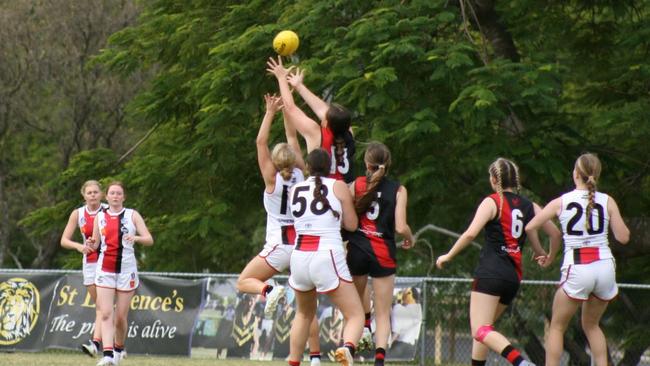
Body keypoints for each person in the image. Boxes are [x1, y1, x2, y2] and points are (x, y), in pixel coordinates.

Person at [436, 158, 562, 366]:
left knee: (480, 330)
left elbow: (470, 234)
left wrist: (448, 255)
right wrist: (546, 256)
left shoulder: (493, 201)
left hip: (490, 274)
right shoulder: (530, 206)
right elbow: (555, 234)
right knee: (485, 330)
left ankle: (521, 363)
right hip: (512, 277)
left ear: (495, 179)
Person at [235, 93, 322, 365]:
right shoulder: (301, 174)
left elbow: (260, 141)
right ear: (294, 160)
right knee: (307, 309)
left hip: (279, 246)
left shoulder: (271, 178)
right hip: (301, 246)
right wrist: (288, 107)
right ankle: (316, 358)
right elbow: (292, 137)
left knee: (244, 281)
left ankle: (269, 292)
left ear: (274, 161)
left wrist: (270, 111)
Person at [524, 153, 630, 366]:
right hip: (605, 267)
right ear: (596, 175)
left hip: (578, 266)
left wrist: (545, 254)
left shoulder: (561, 201)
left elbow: (530, 226)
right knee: (592, 326)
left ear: (575, 174)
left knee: (557, 326)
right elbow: (624, 237)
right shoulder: (607, 200)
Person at [286, 148, 363, 366]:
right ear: (330, 167)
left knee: (303, 315)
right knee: (355, 315)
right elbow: (351, 224)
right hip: (326, 253)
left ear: (307, 168)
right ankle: (347, 348)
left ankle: (294, 362)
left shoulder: (295, 189)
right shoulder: (337, 185)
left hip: (299, 255)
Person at [345, 142, 415, 366]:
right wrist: (410, 239)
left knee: (353, 307)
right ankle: (379, 360)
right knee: (383, 313)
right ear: (389, 164)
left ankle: (352, 345)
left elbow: (343, 214)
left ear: (367, 163)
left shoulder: (356, 185)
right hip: (382, 253)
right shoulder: (398, 190)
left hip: (357, 250)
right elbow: (401, 227)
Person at [86, 181, 154, 366]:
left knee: (121, 317)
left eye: (119, 193)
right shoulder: (100, 216)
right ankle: (107, 355)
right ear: (106, 197)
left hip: (126, 270)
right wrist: (90, 243)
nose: (115, 196)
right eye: (112, 193)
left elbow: (149, 239)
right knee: (106, 313)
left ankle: (118, 348)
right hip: (104, 269)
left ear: (123, 197)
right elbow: (95, 242)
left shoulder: (133, 215)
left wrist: (136, 238)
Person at [267, 56, 355, 183]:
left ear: (326, 121)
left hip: (323, 194)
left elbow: (291, 108)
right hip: (345, 192)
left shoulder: (317, 134)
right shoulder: (349, 132)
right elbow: (322, 110)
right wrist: (299, 86)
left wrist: (281, 78)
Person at [60, 180, 107, 357]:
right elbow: (64, 240)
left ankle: (96, 344)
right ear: (84, 195)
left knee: (104, 306)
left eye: (96, 192)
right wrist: (79, 247)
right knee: (102, 306)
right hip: (90, 262)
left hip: (108, 261)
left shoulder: (108, 211)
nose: (93, 195)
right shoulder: (78, 214)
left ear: (101, 194)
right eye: (90, 193)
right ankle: (116, 345)